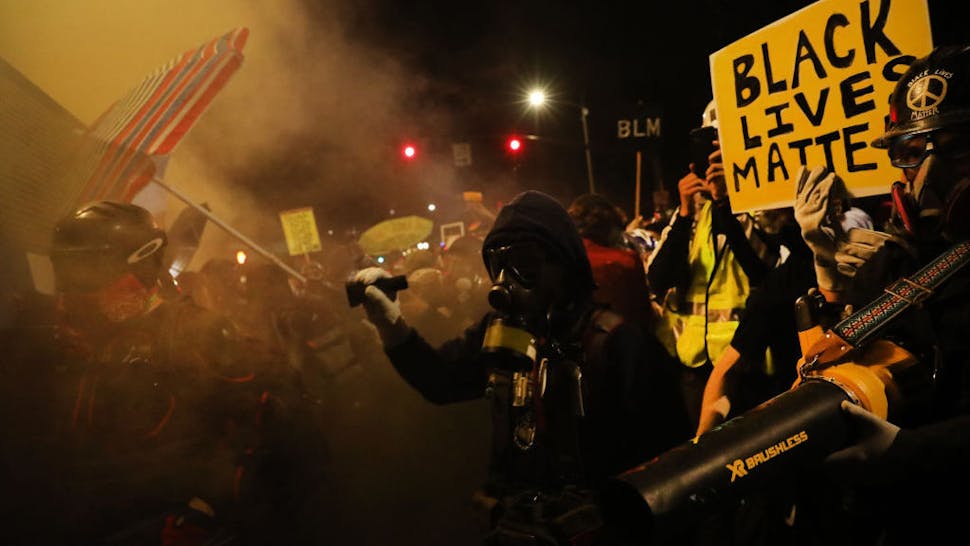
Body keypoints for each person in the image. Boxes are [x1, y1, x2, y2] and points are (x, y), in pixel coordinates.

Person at [352, 190, 690, 545]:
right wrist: (392, 326)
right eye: (497, 263)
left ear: (563, 261)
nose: (506, 279)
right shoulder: (499, 331)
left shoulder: (619, 343)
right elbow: (441, 381)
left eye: (524, 261)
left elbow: (667, 469)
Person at [0, 201, 329, 546]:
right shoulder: (47, 346)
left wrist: (212, 509)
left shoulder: (196, 338)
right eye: (68, 271)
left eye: (89, 271)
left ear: (141, 268)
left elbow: (290, 443)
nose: (73, 290)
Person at [792, 44, 970, 545]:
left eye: (955, 149)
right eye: (912, 154)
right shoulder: (889, 265)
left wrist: (910, 452)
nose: (928, 176)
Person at [646, 100, 779, 430]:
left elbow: (761, 269)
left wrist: (726, 202)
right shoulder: (693, 214)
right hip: (695, 366)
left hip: (747, 365)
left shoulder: (761, 205)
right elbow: (658, 278)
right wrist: (684, 213)